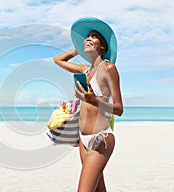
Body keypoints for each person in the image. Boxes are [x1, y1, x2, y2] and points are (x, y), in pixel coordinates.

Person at [53, 17, 123, 192]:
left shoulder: (109, 69)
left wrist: (94, 101)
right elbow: (58, 60)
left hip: (101, 139)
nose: (89, 38)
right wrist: (78, 49)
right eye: (87, 37)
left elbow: (119, 109)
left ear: (103, 47)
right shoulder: (85, 70)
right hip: (83, 141)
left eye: (94, 37)